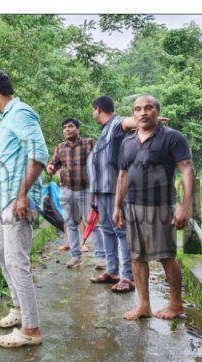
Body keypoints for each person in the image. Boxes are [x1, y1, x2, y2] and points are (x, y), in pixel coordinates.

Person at [0, 70, 47, 348]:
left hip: (18, 200)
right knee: (0, 254)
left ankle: (31, 330)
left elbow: (39, 154)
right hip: (5, 198)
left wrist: (22, 196)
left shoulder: (20, 113)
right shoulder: (8, 117)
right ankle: (19, 308)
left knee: (18, 261)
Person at [112, 94, 196, 320]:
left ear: (157, 112)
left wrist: (184, 207)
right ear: (134, 114)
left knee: (166, 256)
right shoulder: (127, 141)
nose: (143, 112)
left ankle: (176, 304)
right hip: (133, 207)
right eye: (138, 109)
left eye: (148, 108)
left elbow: (187, 170)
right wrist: (117, 206)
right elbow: (123, 174)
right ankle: (144, 306)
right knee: (136, 257)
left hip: (160, 207)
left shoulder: (172, 138)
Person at [87, 95, 137, 293]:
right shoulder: (103, 132)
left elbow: (128, 122)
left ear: (97, 109)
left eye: (93, 111)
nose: (93, 114)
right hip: (102, 191)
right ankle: (113, 270)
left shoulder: (116, 124)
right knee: (107, 230)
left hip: (116, 189)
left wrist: (145, 120)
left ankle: (128, 277)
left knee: (121, 231)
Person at [46, 117, 106, 269]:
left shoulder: (89, 143)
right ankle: (75, 256)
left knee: (91, 223)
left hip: (86, 190)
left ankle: (101, 257)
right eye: (65, 127)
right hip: (67, 191)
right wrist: (51, 168)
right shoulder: (60, 148)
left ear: (77, 129)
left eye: (70, 126)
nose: (67, 129)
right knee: (71, 223)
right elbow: (53, 163)